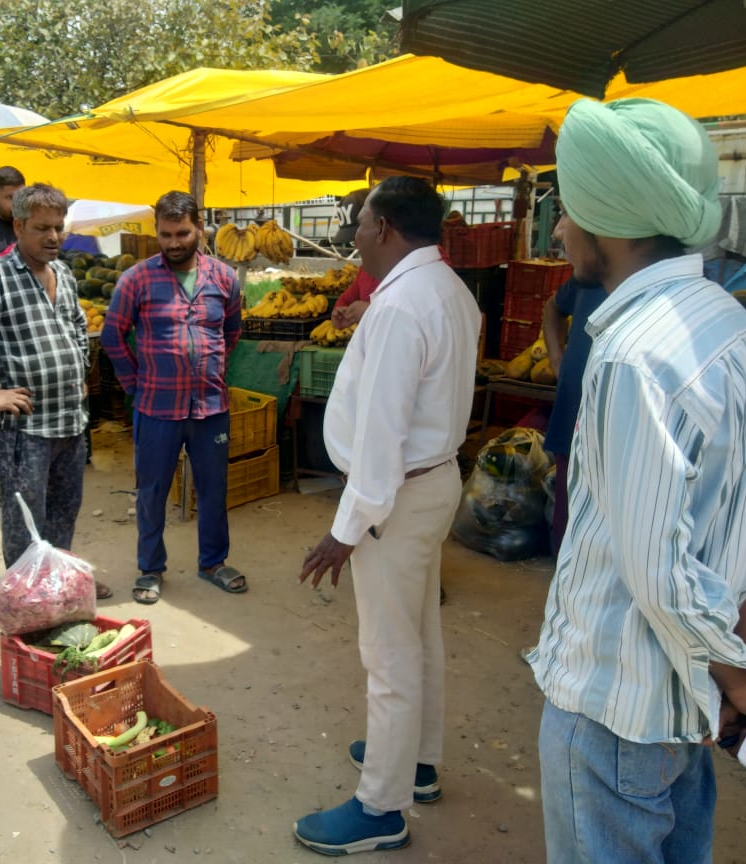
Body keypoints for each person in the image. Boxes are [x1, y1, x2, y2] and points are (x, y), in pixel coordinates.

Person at [528, 98, 746, 863]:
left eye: (567, 210)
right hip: (680, 710)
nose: (559, 230)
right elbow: (744, 526)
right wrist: (736, 669)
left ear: (610, 216)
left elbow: (656, 570)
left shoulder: (632, 355)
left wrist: (738, 680)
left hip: (612, 710)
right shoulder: (733, 328)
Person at [295, 176, 480, 854]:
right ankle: (418, 763)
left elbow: (380, 436)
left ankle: (382, 808)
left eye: (361, 222)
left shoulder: (403, 305)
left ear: (389, 228)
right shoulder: (449, 290)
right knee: (419, 635)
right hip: (429, 486)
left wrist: (344, 530)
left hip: (396, 498)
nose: (354, 235)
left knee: (390, 654)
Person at [0, 184, 110, 597]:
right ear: (18, 226)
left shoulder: (64, 274)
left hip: (70, 422)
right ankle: (25, 600)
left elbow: (74, 326)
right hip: (27, 429)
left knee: (64, 512)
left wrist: (80, 373)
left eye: (59, 228)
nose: (53, 237)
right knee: (24, 519)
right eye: (42, 229)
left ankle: (59, 587)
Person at [101, 191, 246, 605]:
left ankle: (213, 562)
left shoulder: (224, 278)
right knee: (151, 491)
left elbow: (231, 332)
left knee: (214, 489)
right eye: (166, 234)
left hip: (210, 408)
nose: (174, 242)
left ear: (199, 228)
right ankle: (150, 568)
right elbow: (113, 336)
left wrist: (211, 367)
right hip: (156, 409)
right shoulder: (137, 279)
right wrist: (134, 386)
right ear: (157, 232)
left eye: (182, 232)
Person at [538, 271, 606, 556]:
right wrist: (557, 359)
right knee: (567, 516)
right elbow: (553, 307)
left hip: (611, 430)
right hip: (572, 413)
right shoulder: (585, 280)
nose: (557, 233)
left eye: (567, 223)